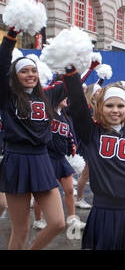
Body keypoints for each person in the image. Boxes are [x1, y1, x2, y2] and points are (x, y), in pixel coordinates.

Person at [62, 67, 125, 250]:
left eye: (120, 106)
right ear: (100, 107)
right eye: (109, 105)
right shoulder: (91, 132)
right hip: (104, 210)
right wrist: (70, 71)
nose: (115, 110)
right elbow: (77, 104)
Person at [0, 29, 66, 249]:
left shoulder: (46, 96)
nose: (30, 75)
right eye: (24, 71)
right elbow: (1, 65)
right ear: (14, 76)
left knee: (57, 222)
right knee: (21, 230)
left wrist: (72, 62)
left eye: (33, 71)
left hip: (41, 159)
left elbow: (71, 84)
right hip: (16, 159)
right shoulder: (7, 96)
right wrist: (10, 37)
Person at [32, 97, 86, 232]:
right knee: (42, 191)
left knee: (68, 190)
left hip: (61, 158)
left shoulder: (65, 115)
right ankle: (38, 220)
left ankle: (72, 218)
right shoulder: (47, 112)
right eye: (63, 96)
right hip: (47, 156)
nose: (66, 99)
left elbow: (67, 134)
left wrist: (70, 145)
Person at [74, 82, 102, 210]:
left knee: (94, 171)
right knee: (87, 172)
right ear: (92, 94)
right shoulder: (88, 108)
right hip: (88, 143)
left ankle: (97, 197)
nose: (100, 93)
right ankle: (79, 199)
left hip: (96, 142)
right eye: (98, 91)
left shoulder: (98, 106)